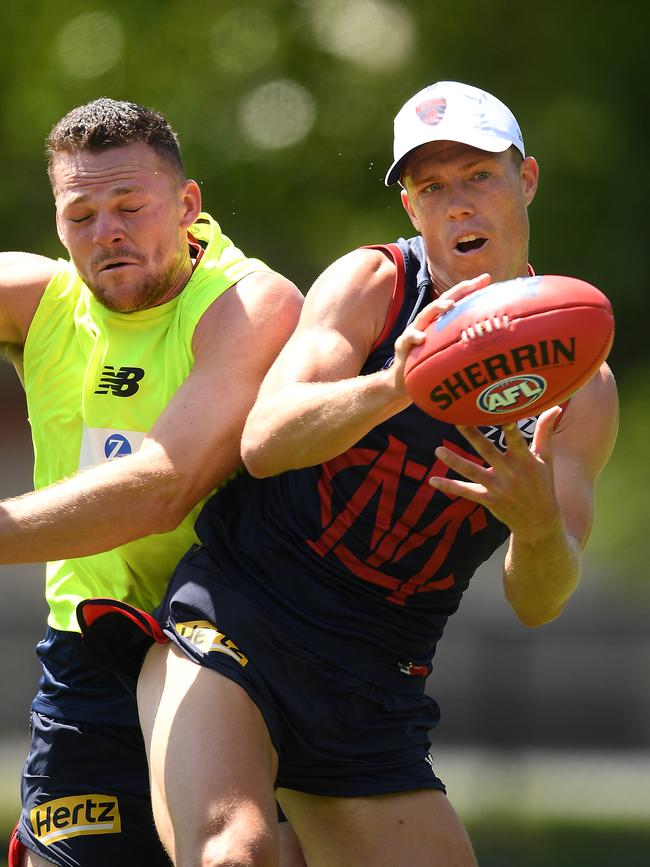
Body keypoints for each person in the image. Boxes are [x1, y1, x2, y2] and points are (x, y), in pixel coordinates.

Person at [80, 81, 619, 866]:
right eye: (432, 187)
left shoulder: (578, 380)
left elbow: (540, 601)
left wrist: (537, 524)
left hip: (376, 682)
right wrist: (399, 382)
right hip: (241, 619)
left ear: (526, 179)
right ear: (410, 207)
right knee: (233, 855)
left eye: (479, 177)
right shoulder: (375, 286)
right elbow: (266, 438)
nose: (458, 205)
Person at [0, 98, 305, 867]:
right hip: (85, 650)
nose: (107, 231)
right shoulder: (40, 302)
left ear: (187, 204)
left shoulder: (250, 305)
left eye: (130, 206)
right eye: (81, 215)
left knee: (234, 857)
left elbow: (161, 487)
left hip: (226, 651)